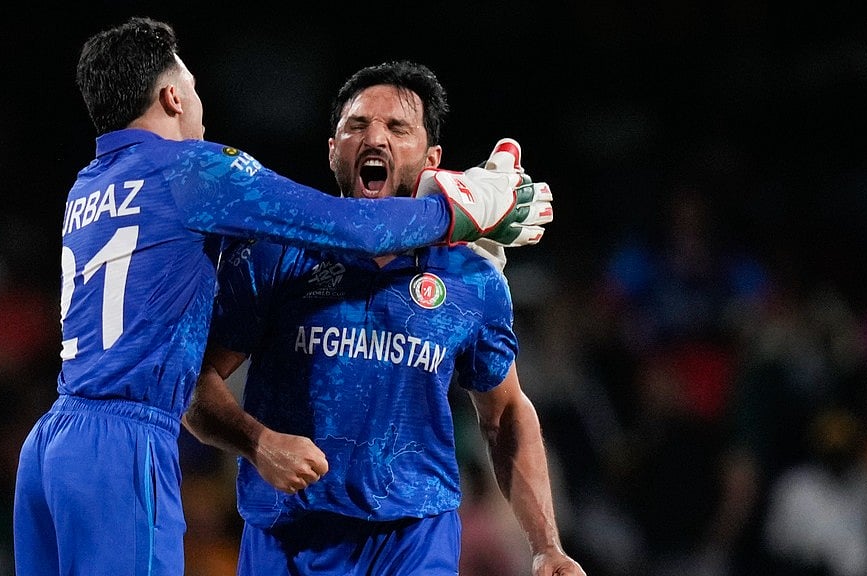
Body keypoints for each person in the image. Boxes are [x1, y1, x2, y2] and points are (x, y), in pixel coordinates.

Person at [11, 18, 551, 576]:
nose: (201, 100)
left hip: (55, 438)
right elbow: (358, 230)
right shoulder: (198, 170)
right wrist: (472, 204)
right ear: (172, 95)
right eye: (193, 84)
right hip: (126, 443)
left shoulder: (90, 182)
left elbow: (506, 412)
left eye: (396, 127)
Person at [184, 60, 584, 576]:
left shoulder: (472, 277)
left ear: (433, 160)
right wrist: (257, 443)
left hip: (414, 542)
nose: (375, 138)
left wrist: (546, 544)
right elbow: (196, 386)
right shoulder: (276, 253)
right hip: (288, 540)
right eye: (357, 126)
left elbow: (505, 414)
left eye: (398, 128)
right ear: (333, 150)